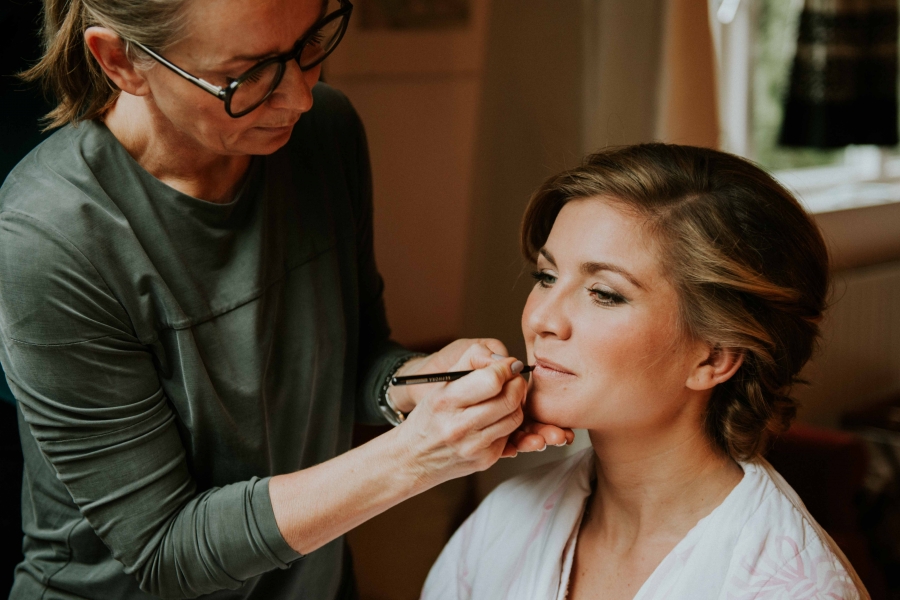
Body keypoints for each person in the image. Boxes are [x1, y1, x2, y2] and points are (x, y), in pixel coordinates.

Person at [0, 0, 572, 598]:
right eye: (247, 74)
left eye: (307, 44)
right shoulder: (52, 233)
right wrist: (419, 455)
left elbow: (348, 362)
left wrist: (421, 381)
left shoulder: (324, 133)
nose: (299, 95)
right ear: (120, 61)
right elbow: (165, 550)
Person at [423, 144, 870, 599]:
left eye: (604, 293)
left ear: (714, 358)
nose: (541, 320)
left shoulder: (791, 587)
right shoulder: (503, 520)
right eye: (547, 277)